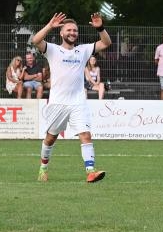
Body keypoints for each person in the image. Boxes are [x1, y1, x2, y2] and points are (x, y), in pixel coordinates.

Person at [32, 12, 111, 183]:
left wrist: (100, 28)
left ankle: (91, 171)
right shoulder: (53, 49)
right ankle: (43, 168)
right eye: (69, 30)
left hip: (77, 102)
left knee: (86, 134)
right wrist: (49, 26)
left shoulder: (83, 50)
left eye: (75, 30)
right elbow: (35, 41)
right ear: (61, 33)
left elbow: (106, 42)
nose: (72, 33)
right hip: (57, 103)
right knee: (50, 138)